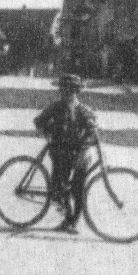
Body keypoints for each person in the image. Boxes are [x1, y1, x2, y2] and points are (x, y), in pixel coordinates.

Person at [34, 73, 98, 234]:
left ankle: (73, 221)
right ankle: (67, 216)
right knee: (59, 187)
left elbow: (93, 125)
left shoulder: (83, 110)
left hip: (78, 153)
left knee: (78, 189)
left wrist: (91, 128)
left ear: (76, 92)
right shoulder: (56, 107)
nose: (66, 94)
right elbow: (39, 121)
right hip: (60, 151)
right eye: (63, 91)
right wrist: (48, 131)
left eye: (70, 91)